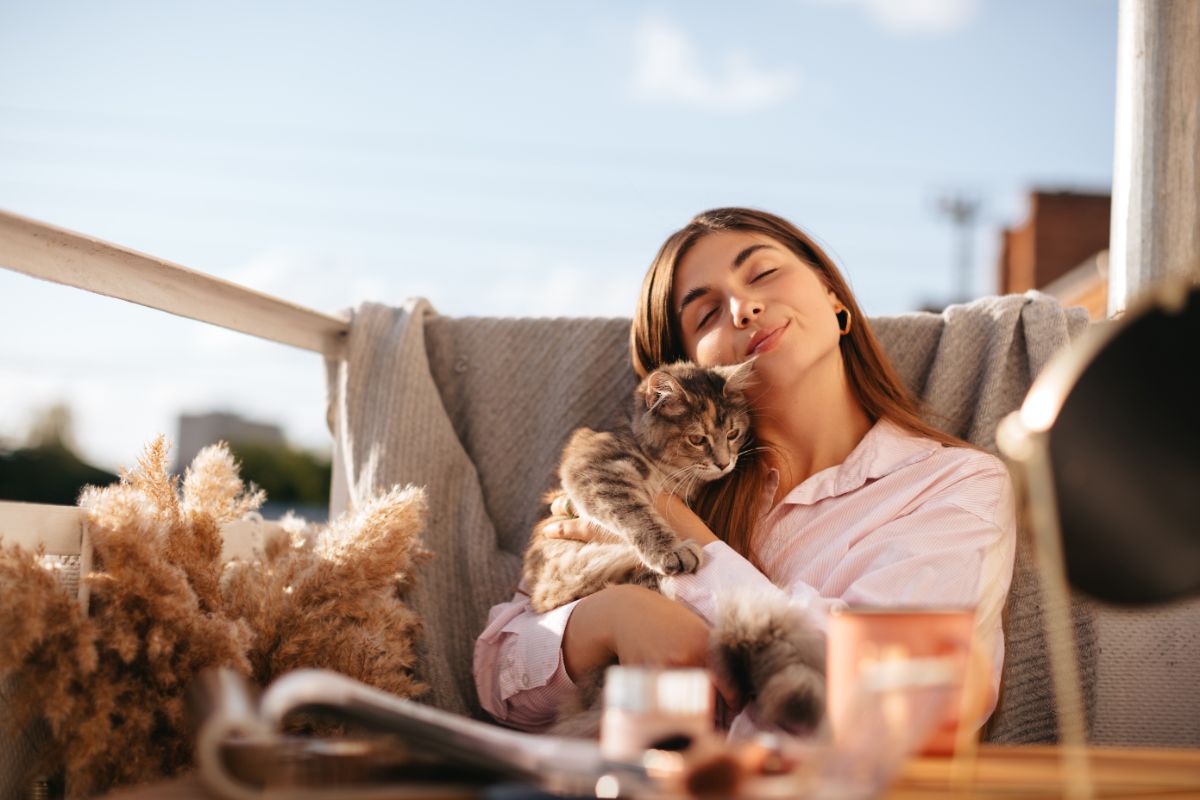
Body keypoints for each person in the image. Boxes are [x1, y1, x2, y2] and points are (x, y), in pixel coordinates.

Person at [473, 207, 1016, 737]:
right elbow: (500, 679)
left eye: (763, 273)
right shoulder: (631, 477)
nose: (743, 307)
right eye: (705, 314)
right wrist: (616, 617)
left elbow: (890, 693)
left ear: (831, 293)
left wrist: (684, 536)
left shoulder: (953, 485)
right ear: (687, 369)